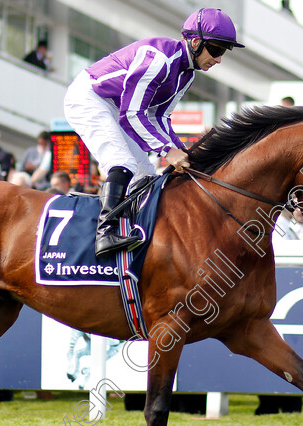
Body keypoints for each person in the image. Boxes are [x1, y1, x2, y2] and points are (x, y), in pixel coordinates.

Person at [63, 7, 243, 256]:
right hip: (90, 97)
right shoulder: (158, 60)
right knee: (122, 161)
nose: (219, 59)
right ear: (195, 42)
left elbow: (159, 116)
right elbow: (132, 114)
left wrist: (182, 151)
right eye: (216, 50)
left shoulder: (186, 75)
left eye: (224, 52)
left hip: (117, 107)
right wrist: (167, 151)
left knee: (145, 176)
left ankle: (137, 233)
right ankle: (104, 233)